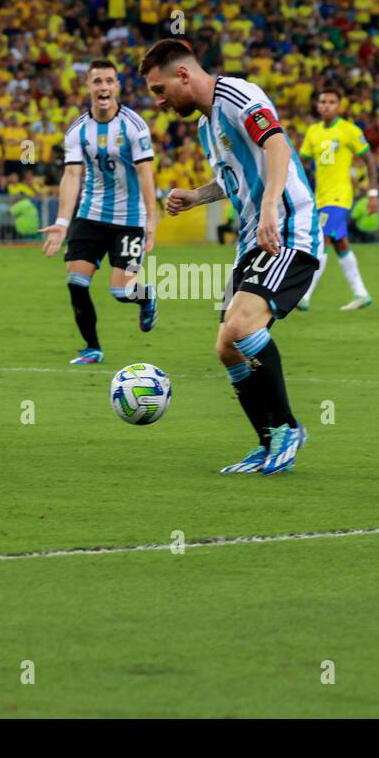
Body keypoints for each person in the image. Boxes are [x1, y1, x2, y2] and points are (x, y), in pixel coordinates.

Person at [143, 39, 320, 476]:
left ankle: (288, 429)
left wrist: (268, 208)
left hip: (286, 229)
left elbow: (276, 145)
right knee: (227, 347)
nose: (160, 101)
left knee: (241, 327)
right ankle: (266, 443)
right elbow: (233, 180)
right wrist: (196, 196)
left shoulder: (240, 96)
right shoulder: (207, 127)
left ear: (183, 74)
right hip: (251, 239)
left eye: (159, 89)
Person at [38, 59, 159, 365]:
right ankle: (92, 347)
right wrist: (62, 222)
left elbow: (146, 173)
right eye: (97, 81)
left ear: (117, 86)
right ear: (89, 87)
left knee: (120, 291)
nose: (103, 87)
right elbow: (72, 176)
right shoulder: (78, 131)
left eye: (108, 81)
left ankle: (145, 297)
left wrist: (151, 219)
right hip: (91, 215)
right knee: (76, 282)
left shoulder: (134, 126)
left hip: (129, 220)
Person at [296, 86, 379, 312]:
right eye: (323, 102)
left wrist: (373, 193)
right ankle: (361, 293)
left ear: (339, 106)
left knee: (321, 240)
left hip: (339, 197)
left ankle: (304, 295)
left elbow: (370, 160)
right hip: (320, 198)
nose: (326, 106)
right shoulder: (312, 132)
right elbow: (301, 164)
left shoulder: (349, 130)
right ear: (317, 105)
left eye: (332, 102)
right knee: (341, 244)